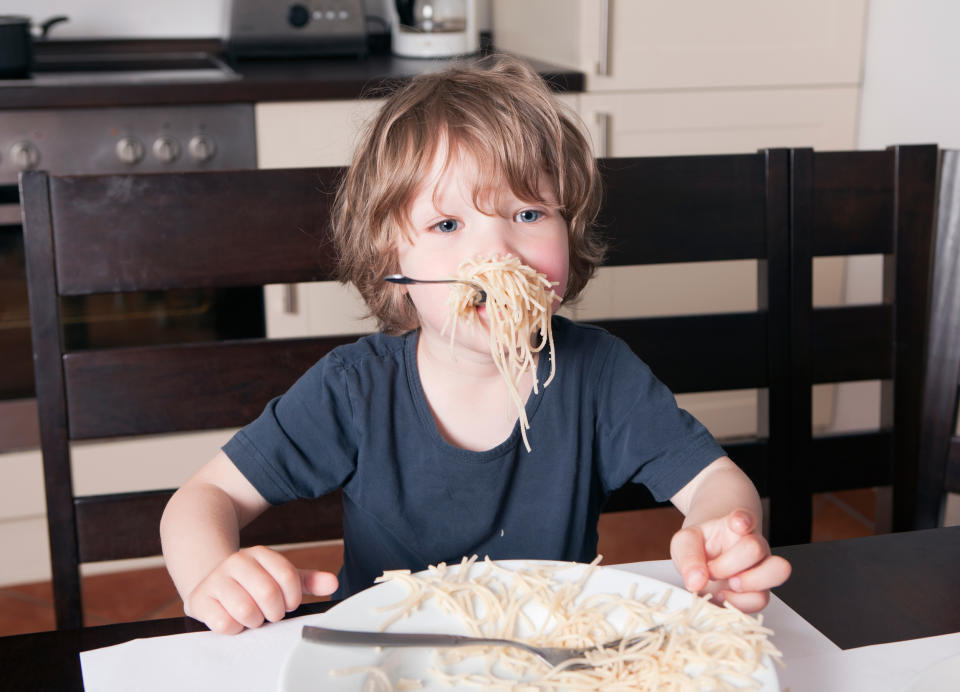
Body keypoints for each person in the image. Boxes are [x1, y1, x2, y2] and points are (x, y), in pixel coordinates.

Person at [160, 56, 791, 635]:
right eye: (448, 223)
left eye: (526, 214)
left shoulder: (598, 375)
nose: (494, 252)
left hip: (546, 654)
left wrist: (721, 534)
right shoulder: (354, 389)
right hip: (382, 662)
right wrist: (213, 573)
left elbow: (715, 481)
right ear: (393, 260)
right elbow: (200, 501)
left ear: (567, 236)